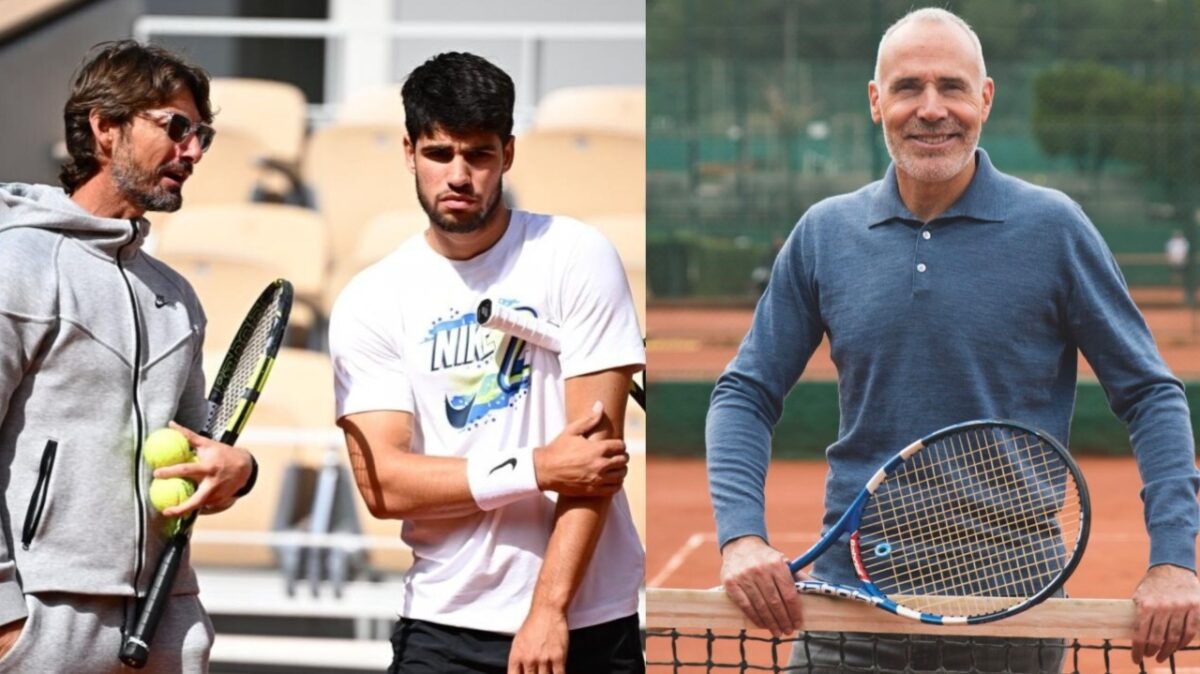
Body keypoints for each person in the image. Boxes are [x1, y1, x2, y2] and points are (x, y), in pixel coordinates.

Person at [707, 8, 1200, 673]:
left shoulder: (1054, 228)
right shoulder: (825, 233)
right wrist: (741, 536)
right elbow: (745, 391)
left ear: (985, 99)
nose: (932, 109)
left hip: (1013, 616)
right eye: (909, 87)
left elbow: (1150, 394)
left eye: (953, 87)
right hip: (849, 611)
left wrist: (1174, 560)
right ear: (876, 101)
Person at [328, 52, 645, 674]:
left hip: (585, 623)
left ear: (508, 153)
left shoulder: (576, 255)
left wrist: (549, 609)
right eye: (439, 153)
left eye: (478, 154)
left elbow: (595, 465)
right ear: (409, 151)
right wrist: (538, 467)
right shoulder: (371, 298)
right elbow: (384, 485)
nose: (458, 175)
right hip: (442, 625)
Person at [0, 40, 257, 673]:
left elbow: (196, 447)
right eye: (176, 127)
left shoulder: (177, 296)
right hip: (42, 623)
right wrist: (6, 617)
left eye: (202, 135)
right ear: (105, 127)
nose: (193, 152)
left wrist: (238, 471)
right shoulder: (17, 265)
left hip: (165, 620)